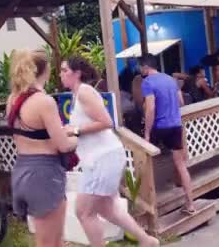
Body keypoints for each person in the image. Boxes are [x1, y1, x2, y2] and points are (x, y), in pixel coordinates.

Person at [60, 56, 159, 247]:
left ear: (77, 73)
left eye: (65, 70)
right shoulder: (76, 94)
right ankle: (147, 241)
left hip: (103, 158)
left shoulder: (85, 92)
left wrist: (76, 130)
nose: (61, 74)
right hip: (101, 158)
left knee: (83, 211)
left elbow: (106, 122)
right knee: (107, 210)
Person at [6, 50, 78, 247]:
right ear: (45, 70)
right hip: (45, 175)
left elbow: (26, 135)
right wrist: (75, 136)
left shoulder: (12, 99)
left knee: (55, 241)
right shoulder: (44, 102)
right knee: (49, 243)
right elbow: (63, 145)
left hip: (22, 170)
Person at [140, 54, 196, 215]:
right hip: (175, 125)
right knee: (181, 164)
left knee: (148, 162)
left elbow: (150, 109)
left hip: (159, 126)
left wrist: (147, 133)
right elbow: (181, 102)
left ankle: (149, 206)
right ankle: (190, 204)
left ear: (145, 67)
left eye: (140, 67)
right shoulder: (170, 80)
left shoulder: (147, 83)